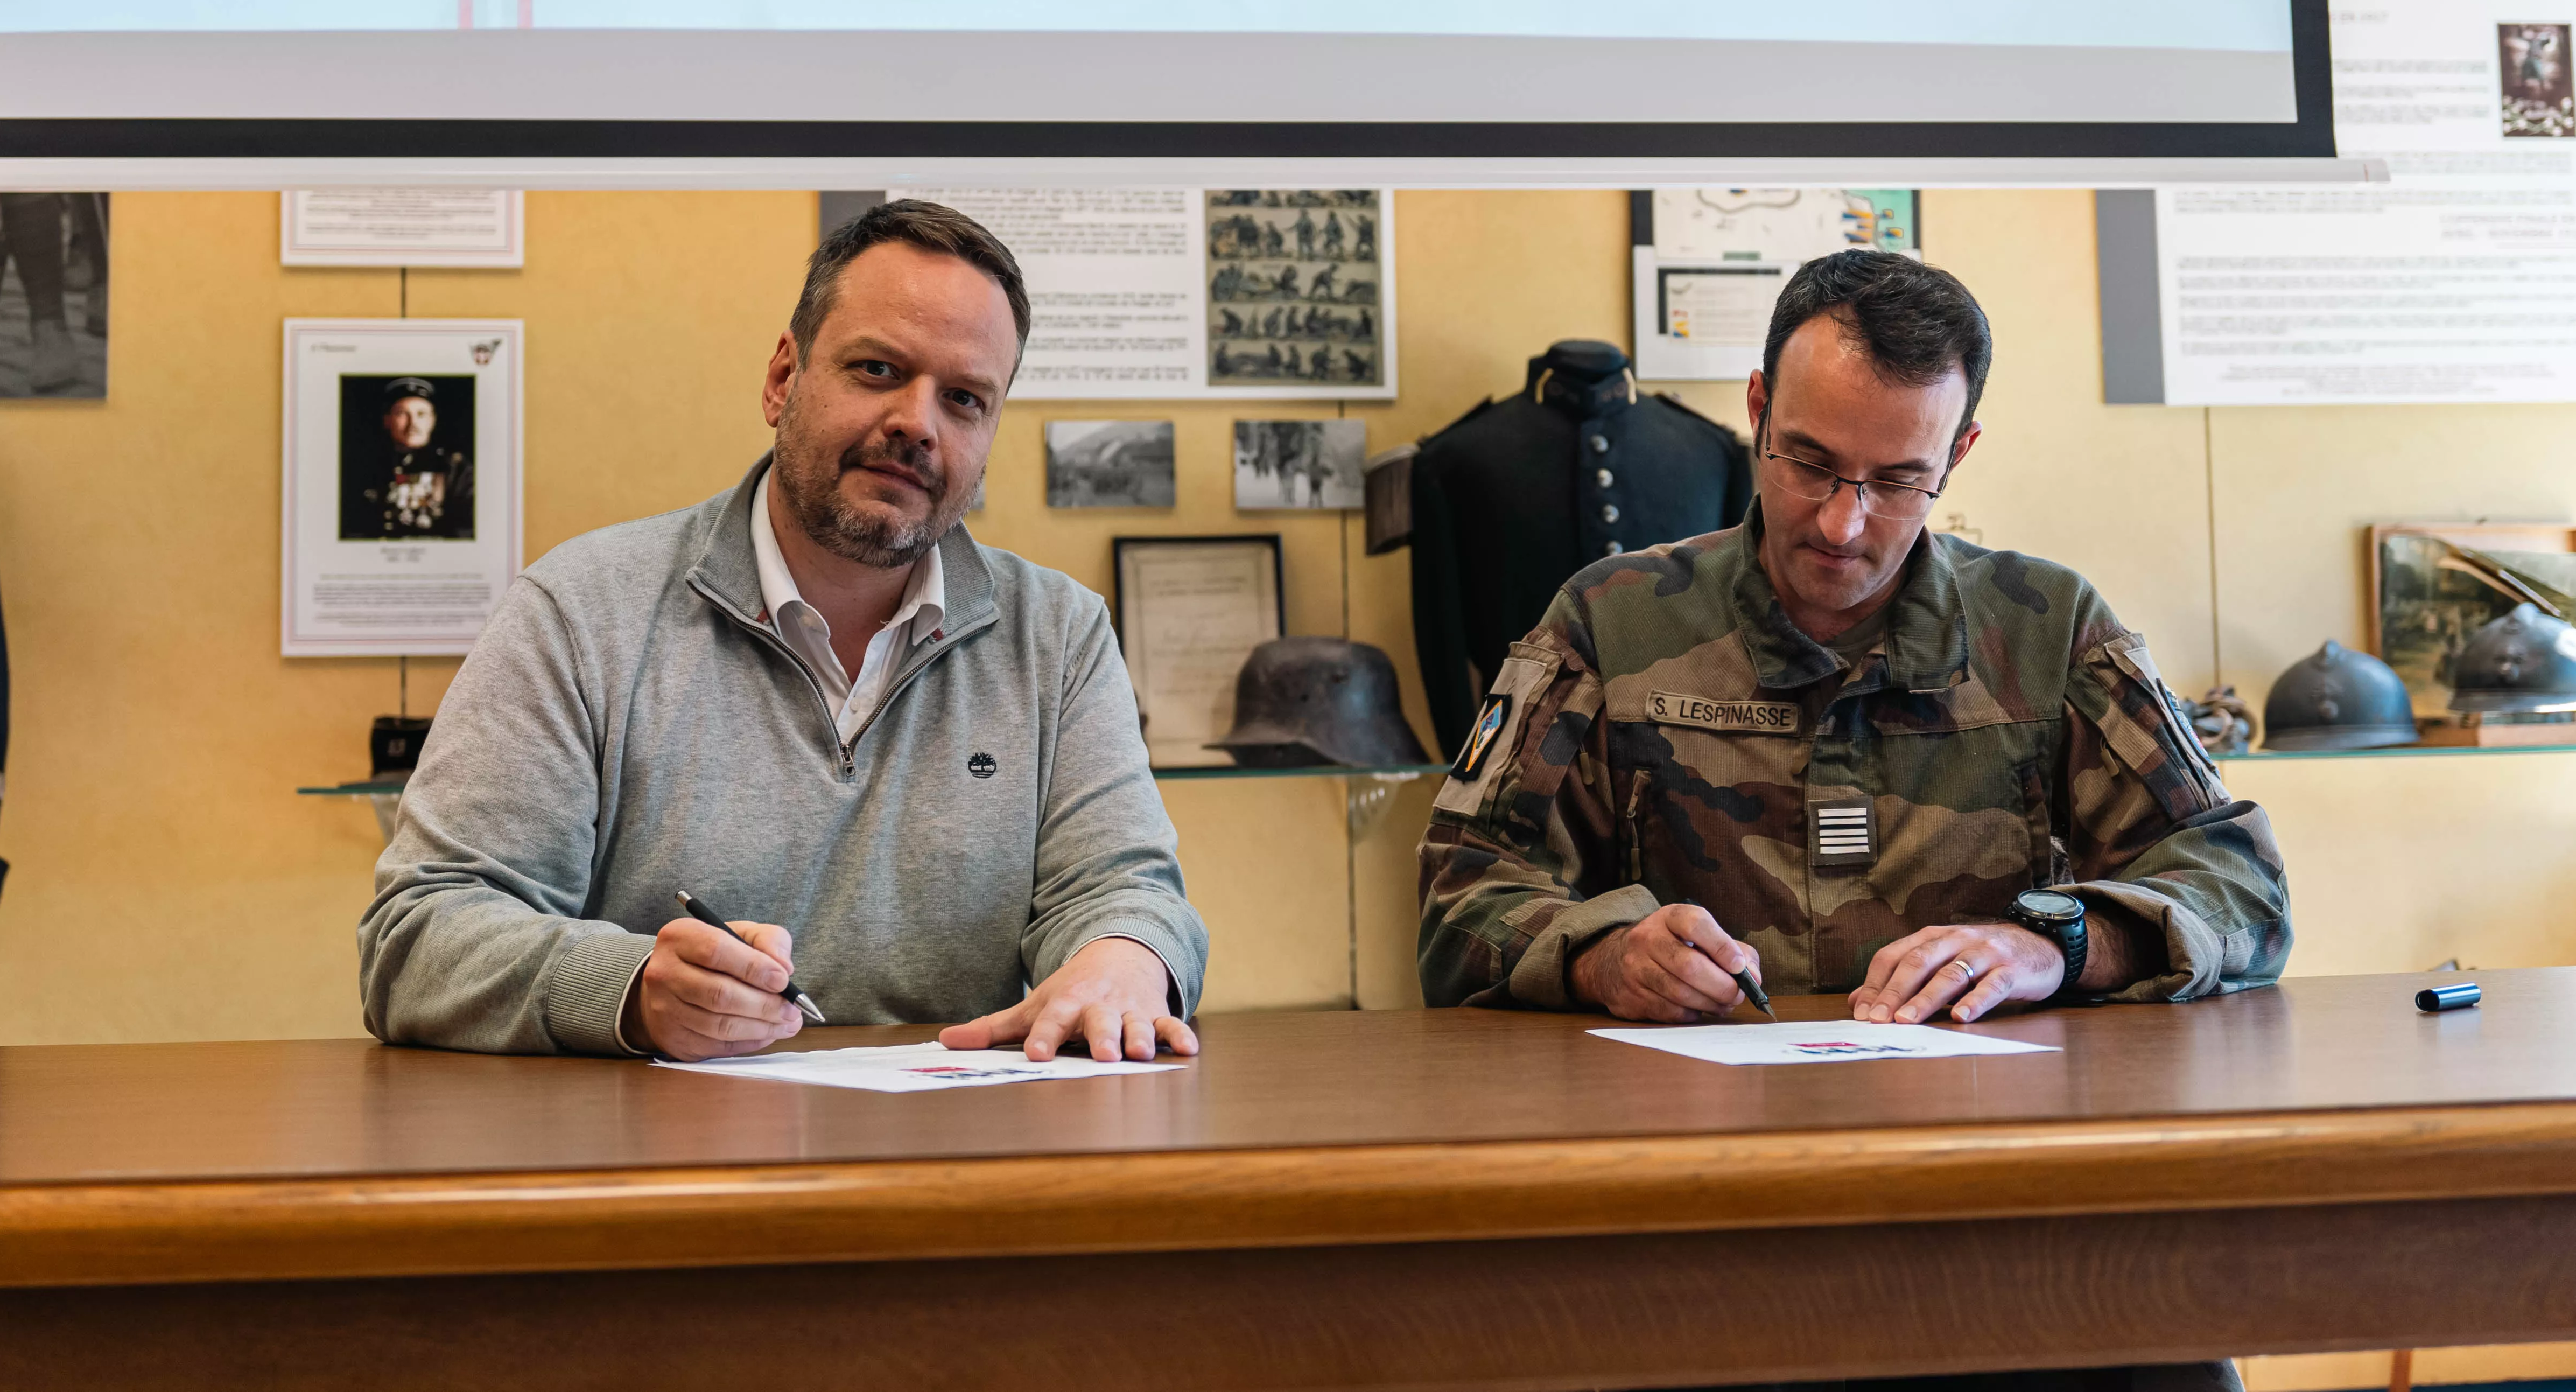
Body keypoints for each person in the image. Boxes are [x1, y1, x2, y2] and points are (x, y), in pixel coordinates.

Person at [361, 200, 1207, 1063]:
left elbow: (1122, 887)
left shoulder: (1058, 633)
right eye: (878, 369)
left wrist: (1125, 958)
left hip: (956, 1163)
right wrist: (627, 990)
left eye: (963, 399)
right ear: (781, 380)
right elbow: (419, 935)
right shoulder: (580, 610)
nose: (918, 423)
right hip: (661, 1169)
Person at [1419, 249, 2290, 1031]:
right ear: (1759, 409)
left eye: (1898, 480)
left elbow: (2241, 891)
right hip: (1685, 1138)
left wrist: (2058, 947)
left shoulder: (2047, 629)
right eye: (1809, 463)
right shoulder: (1610, 621)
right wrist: (1599, 958)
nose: (1843, 523)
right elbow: (1462, 894)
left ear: (1956, 454)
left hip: (1983, 1133)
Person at [350, 377, 474, 540]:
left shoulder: (456, 469)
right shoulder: (364, 468)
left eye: (421, 414)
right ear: (387, 420)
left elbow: (469, 531)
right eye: (402, 414)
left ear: (432, 420)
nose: (413, 424)